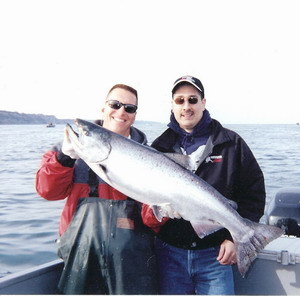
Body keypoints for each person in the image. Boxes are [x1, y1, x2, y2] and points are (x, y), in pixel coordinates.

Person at [142, 75, 266, 295]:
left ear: (203, 102)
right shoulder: (159, 147)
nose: (186, 106)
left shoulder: (231, 143)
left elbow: (254, 191)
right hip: (170, 253)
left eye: (192, 99)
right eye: (179, 101)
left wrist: (232, 238)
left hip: (215, 255)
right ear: (172, 105)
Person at [36, 84, 157, 294]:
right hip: (79, 258)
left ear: (135, 115)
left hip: (131, 264)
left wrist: (163, 209)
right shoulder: (68, 149)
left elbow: (151, 220)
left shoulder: (151, 159)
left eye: (129, 108)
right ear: (103, 108)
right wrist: (65, 158)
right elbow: (48, 191)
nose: (121, 112)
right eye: (115, 104)